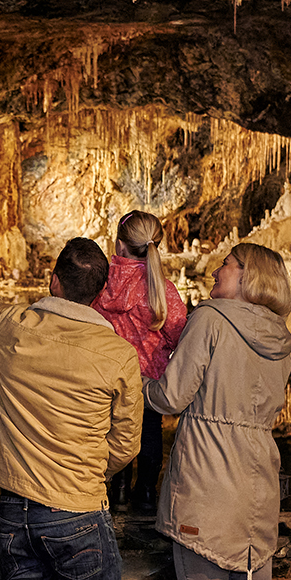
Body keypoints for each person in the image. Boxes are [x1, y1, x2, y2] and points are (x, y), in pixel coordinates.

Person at [0, 190, 142, 580]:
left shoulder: (15, 329)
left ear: (54, 281)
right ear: (99, 293)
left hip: (15, 514)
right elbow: (127, 443)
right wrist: (89, 470)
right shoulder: (118, 355)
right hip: (77, 512)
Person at [143, 242, 291, 580]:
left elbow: (171, 396)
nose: (214, 271)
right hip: (258, 488)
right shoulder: (280, 336)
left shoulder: (210, 319)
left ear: (248, 275)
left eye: (225, 264)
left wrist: (138, 381)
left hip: (208, 483)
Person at [91, 210, 187, 514]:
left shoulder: (101, 285)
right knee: (149, 434)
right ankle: (145, 493)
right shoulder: (163, 291)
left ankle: (115, 492)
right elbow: (180, 336)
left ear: (120, 246)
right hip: (147, 384)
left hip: (108, 380)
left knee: (113, 435)